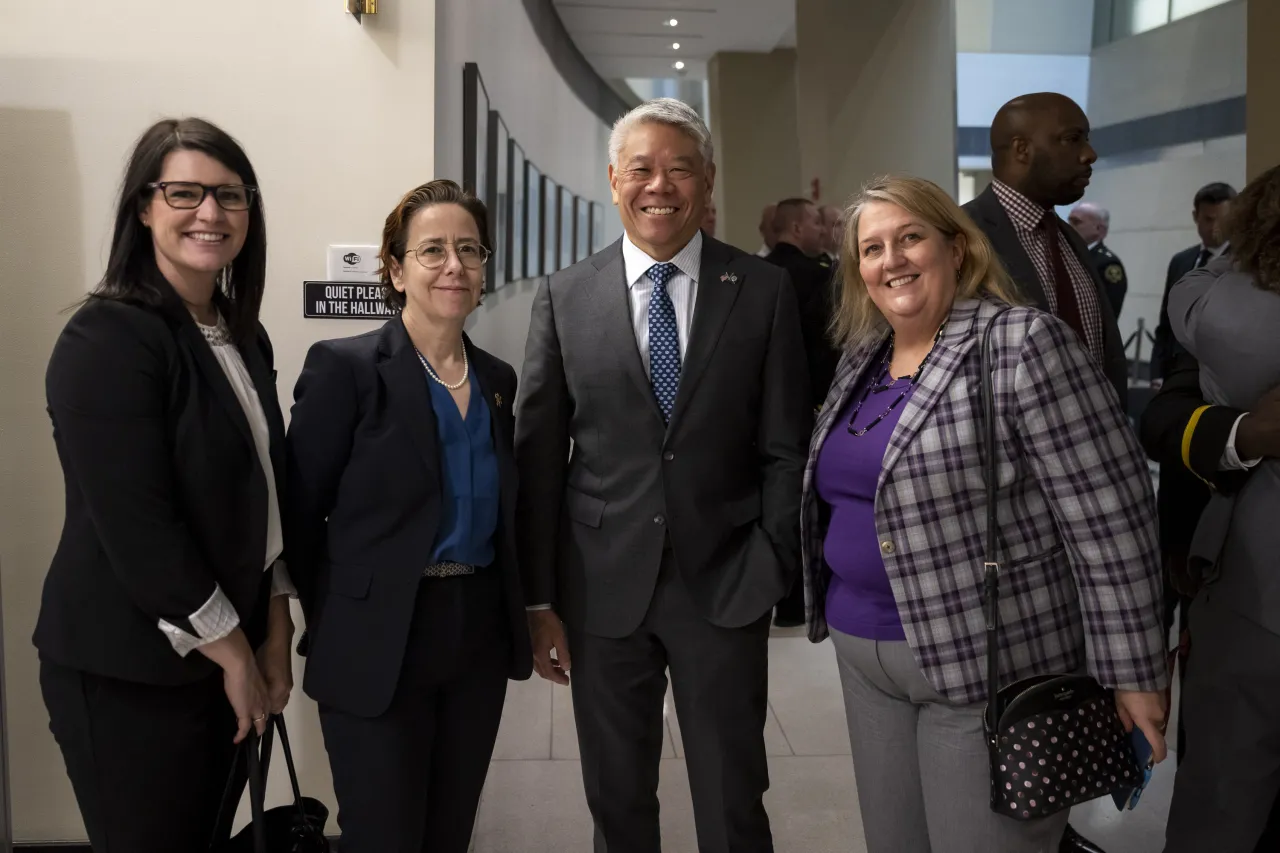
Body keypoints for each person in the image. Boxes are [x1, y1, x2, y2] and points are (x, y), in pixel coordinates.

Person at [801, 175, 1168, 853]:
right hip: (863, 657)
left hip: (986, 660)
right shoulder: (863, 355)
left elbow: (1111, 521)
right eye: (872, 248)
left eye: (910, 237)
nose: (893, 260)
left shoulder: (1023, 344)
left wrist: (1137, 672)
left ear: (958, 249)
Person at [516, 98, 810, 853]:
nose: (660, 185)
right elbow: (542, 457)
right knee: (616, 796)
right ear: (614, 180)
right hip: (600, 584)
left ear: (708, 183)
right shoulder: (564, 295)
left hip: (725, 577)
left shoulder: (762, 291)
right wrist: (541, 598)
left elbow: (785, 444)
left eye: (680, 168)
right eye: (642, 168)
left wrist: (773, 560)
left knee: (734, 792)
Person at [35, 118, 294, 852]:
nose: (209, 213)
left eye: (229, 195)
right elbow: (139, 528)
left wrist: (274, 634)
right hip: (132, 675)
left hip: (225, 656)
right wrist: (237, 652)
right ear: (143, 207)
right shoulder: (106, 337)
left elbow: (267, 496)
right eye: (184, 192)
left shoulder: (243, 333)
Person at [286, 180, 532, 853]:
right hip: (378, 636)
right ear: (395, 268)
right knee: (384, 835)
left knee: (449, 832)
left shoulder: (498, 381)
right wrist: (338, 610)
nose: (454, 264)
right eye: (432, 250)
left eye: (469, 249)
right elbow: (300, 514)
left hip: (474, 630)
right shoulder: (346, 368)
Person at [1161, 165, 1280, 853]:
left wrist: (1237, 251)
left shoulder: (1236, 311)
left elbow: (1195, 299)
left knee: (1225, 794)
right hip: (1248, 579)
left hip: (1254, 582)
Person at [963, 93, 1128, 409]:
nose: (1089, 154)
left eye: (1087, 139)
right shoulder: (960, 238)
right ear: (1022, 150)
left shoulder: (1070, 240)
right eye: (1072, 139)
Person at [1150, 182, 1237, 384]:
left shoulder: (1244, 262)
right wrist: (1157, 371)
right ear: (1195, 217)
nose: (1215, 228)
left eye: (1223, 220)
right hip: (1178, 372)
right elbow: (1166, 321)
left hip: (1223, 376)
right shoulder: (1181, 261)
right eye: (1208, 219)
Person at [1067, 201, 1127, 316]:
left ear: (1099, 229)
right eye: (1068, 221)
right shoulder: (1069, 255)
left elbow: (1107, 312)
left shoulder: (1107, 264)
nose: (1069, 227)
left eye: (1076, 222)